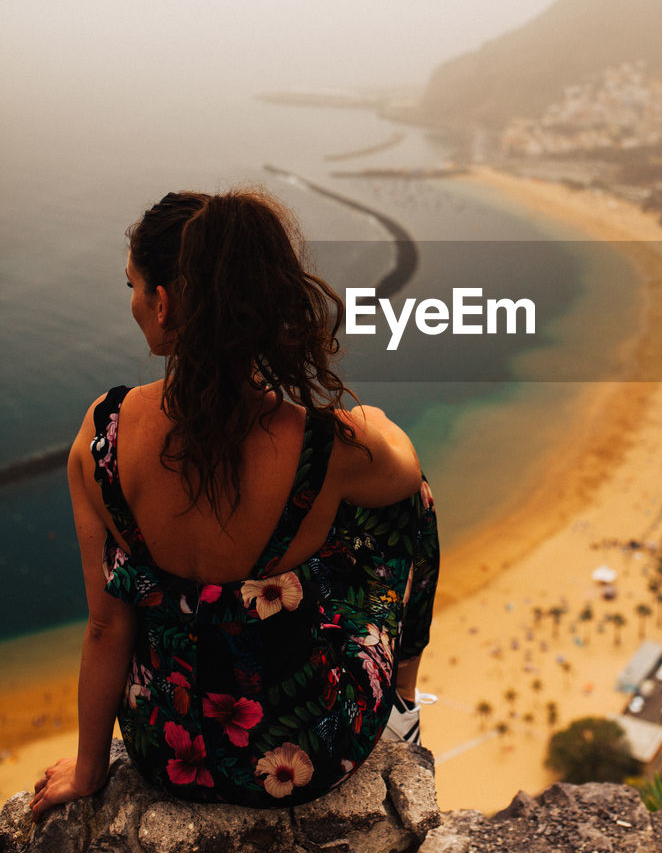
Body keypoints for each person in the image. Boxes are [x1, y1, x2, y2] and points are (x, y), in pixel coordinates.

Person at [30, 189, 438, 820]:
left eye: (133, 284)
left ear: (164, 303)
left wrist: (89, 771)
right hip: (305, 753)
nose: (134, 299)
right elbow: (404, 473)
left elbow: (107, 625)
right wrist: (364, 419)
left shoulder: (102, 435)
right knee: (410, 499)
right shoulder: (325, 447)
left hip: (167, 753)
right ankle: (403, 700)